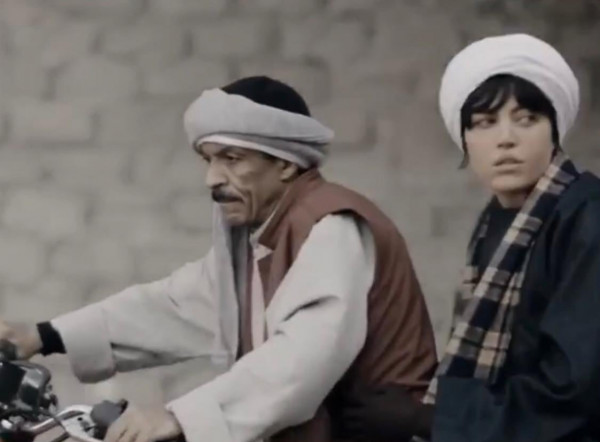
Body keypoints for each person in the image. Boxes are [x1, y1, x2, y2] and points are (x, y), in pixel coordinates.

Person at [0, 76, 437, 442]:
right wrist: (45, 335)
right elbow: (176, 305)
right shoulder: (261, 234)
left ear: (286, 164)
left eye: (232, 159)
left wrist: (178, 417)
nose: (212, 178)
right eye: (208, 160)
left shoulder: (331, 227)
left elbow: (302, 360)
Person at [338, 33, 600, 442]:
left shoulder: (587, 216)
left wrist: (429, 420)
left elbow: (575, 390)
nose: (506, 138)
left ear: (554, 131)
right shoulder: (496, 221)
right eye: (484, 122)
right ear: (465, 141)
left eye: (527, 119)